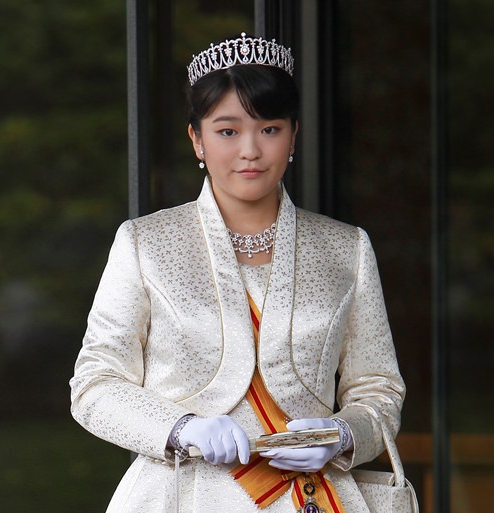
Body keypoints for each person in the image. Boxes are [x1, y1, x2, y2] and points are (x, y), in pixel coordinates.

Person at [70, 33, 405, 513]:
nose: (250, 150)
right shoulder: (145, 244)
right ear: (197, 139)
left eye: (269, 129)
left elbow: (379, 388)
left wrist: (342, 434)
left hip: (313, 498)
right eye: (227, 131)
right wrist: (182, 429)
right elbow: (95, 385)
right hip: (182, 497)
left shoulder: (345, 248)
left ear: (293, 135)